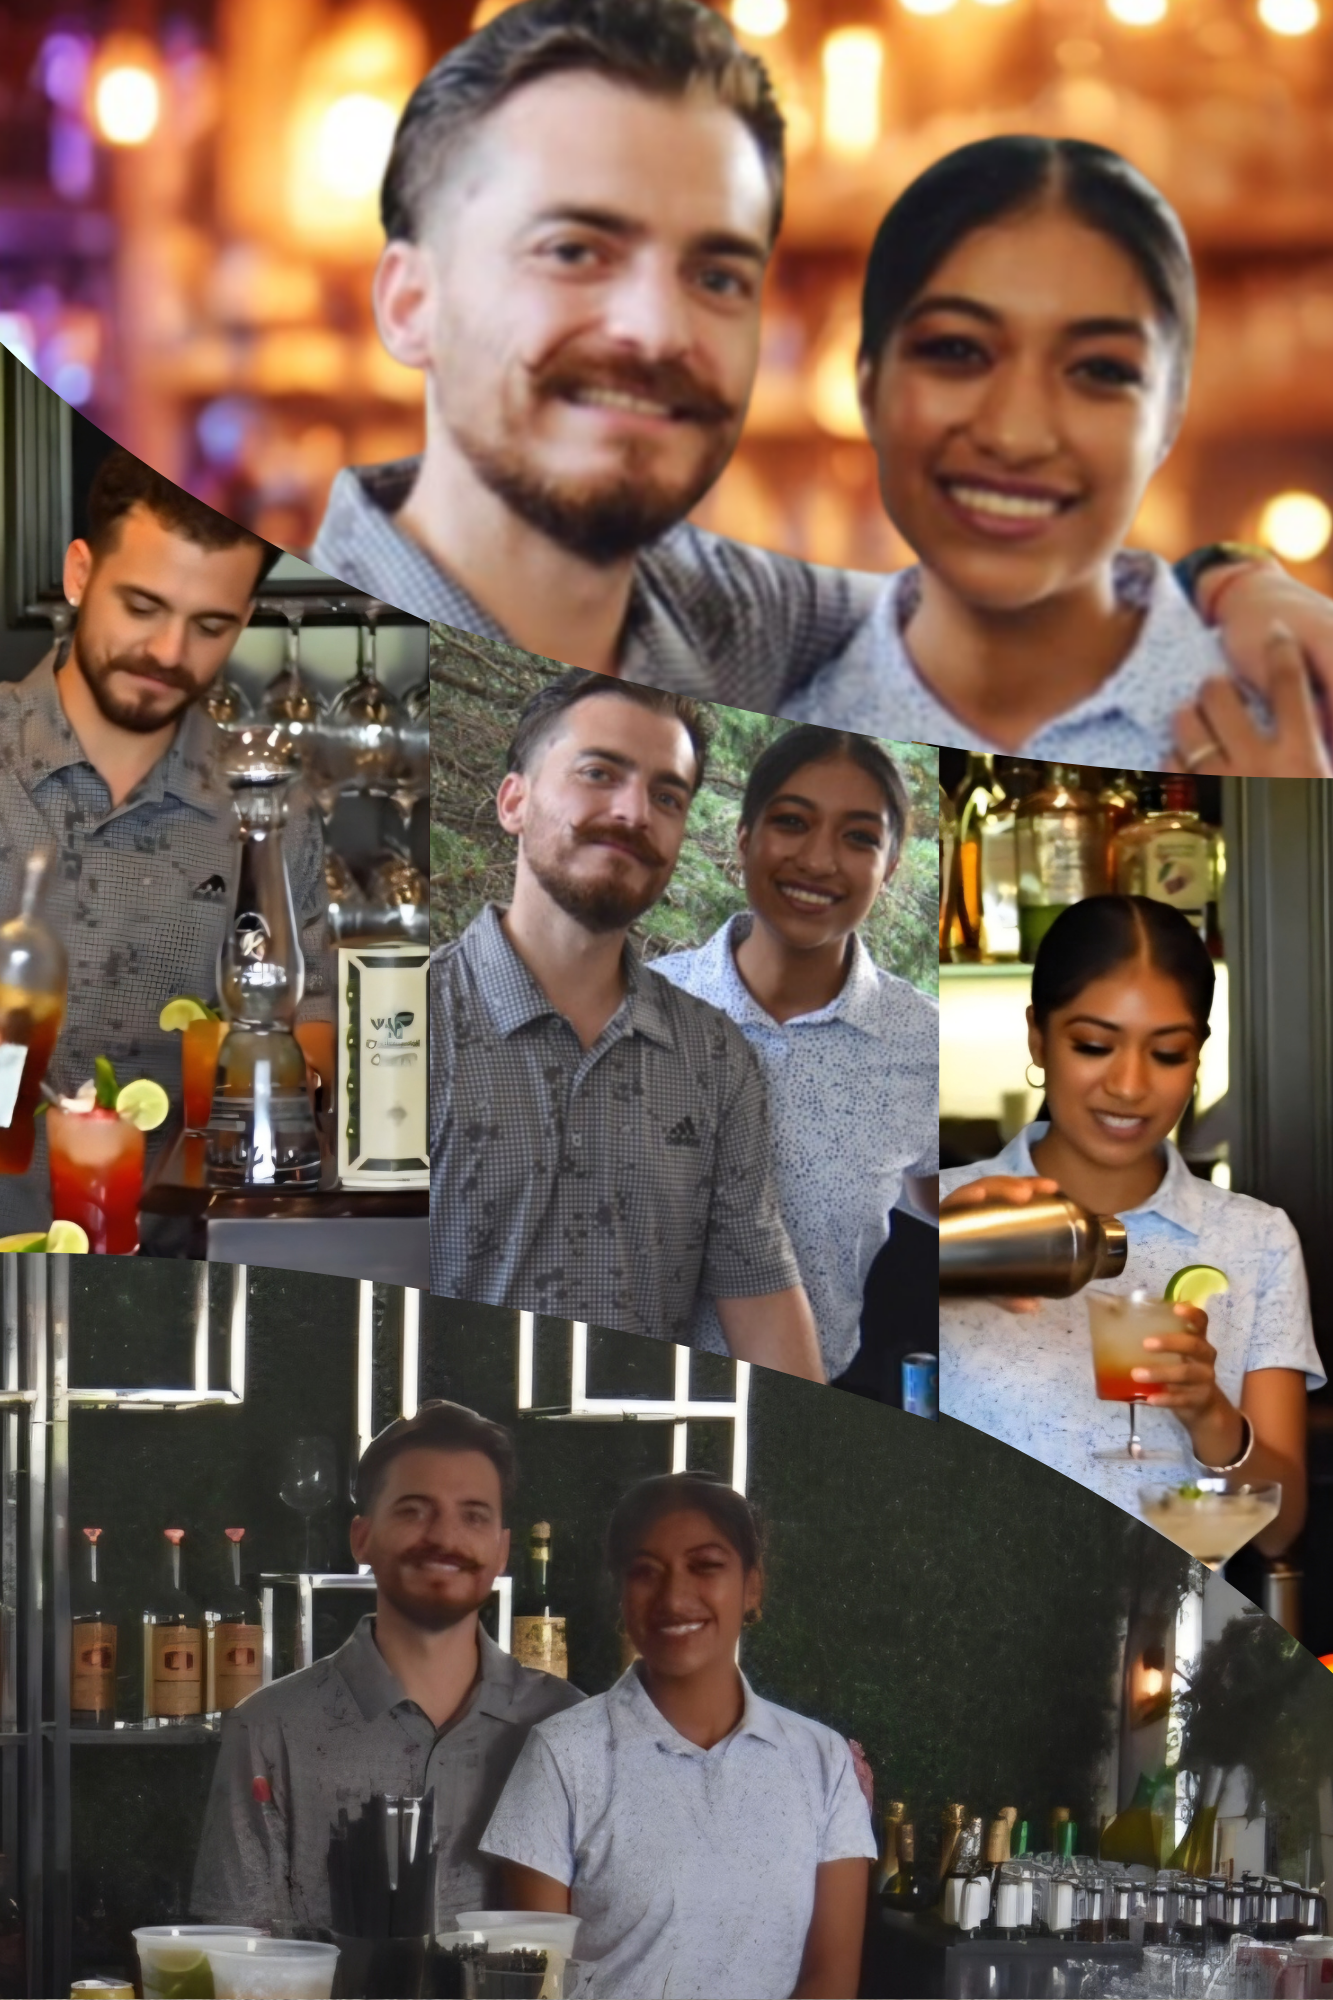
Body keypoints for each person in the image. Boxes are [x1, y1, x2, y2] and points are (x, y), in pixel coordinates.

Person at [309, 0, 1333, 734]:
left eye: (716, 273)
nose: (657, 328)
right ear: (411, 303)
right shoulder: (292, 685)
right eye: (575, 250)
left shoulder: (726, 612)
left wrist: (1229, 583)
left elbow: (1002, 595)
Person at [784, 135, 1333, 780]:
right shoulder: (770, 715)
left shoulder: (1296, 714)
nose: (1016, 435)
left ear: (1169, 415)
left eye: (1100, 368)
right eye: (958, 350)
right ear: (867, 385)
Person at [429, 671, 825, 1383]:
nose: (634, 811)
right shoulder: (397, 1026)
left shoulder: (714, 1058)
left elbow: (759, 1295)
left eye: (666, 795)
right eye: (598, 773)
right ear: (514, 801)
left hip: (639, 1478)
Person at [0, 449, 333, 1235]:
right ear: (79, 575)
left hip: (181, 1276)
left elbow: (312, 1023)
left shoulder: (265, 811)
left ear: (244, 621)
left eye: (209, 624)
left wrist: (292, 1077)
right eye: (142, 606)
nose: (169, 653)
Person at [938, 895, 1322, 1539]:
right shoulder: (942, 1213)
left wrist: (1211, 1418)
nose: (1129, 1085)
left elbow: (1280, 1532)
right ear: (1038, 1035)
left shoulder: (1255, 1240)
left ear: (1197, 1056)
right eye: (1093, 1044)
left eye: (1167, 1053)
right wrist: (932, 1257)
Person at [190, 1400, 584, 1932]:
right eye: (413, 1510)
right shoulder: (268, 1729)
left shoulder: (568, 1727)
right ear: (362, 1538)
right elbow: (239, 1961)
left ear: (501, 1549)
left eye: (473, 1515)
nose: (444, 1537)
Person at [480, 1471, 875, 2000]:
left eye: (705, 1566)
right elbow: (536, 1987)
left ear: (752, 1585)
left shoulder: (823, 1762)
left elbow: (830, 1980)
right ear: (622, 1593)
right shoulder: (561, 1756)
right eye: (645, 1572)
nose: (674, 1595)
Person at [651, 726, 937, 1380]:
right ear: (744, 837)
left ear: (889, 866)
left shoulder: (923, 1043)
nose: (817, 859)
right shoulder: (646, 1007)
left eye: (859, 836)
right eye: (791, 822)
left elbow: (956, 1205)